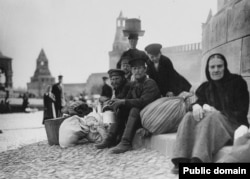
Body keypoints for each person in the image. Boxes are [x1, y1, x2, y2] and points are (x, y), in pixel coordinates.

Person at [171, 53, 249, 174]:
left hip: (234, 124)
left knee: (212, 117)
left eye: (219, 66)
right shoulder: (206, 87)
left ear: (225, 67)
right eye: (212, 67)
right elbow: (199, 101)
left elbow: (242, 111)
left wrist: (219, 112)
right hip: (215, 123)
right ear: (208, 69)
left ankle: (199, 160)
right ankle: (181, 159)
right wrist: (196, 105)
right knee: (189, 116)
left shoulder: (237, 83)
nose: (216, 70)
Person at [96, 57, 161, 153]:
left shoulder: (150, 83)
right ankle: (110, 138)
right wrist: (114, 103)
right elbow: (127, 98)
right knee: (122, 109)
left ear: (145, 69)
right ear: (131, 70)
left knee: (134, 108)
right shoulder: (134, 84)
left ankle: (125, 143)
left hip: (152, 116)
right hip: (141, 117)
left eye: (139, 68)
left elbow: (143, 101)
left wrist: (123, 101)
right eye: (134, 69)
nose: (137, 71)